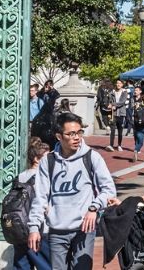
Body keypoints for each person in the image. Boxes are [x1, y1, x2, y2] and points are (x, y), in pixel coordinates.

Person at [29, 112, 117, 270]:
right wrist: (34, 227)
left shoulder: (91, 157)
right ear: (59, 136)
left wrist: (94, 208)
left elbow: (109, 190)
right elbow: (40, 198)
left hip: (83, 230)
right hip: (56, 230)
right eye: (71, 134)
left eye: (79, 132)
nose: (77, 137)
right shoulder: (48, 162)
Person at [13, 138, 53, 270]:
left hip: (19, 229)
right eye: (47, 157)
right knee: (47, 266)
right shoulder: (43, 178)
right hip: (40, 230)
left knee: (21, 266)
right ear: (36, 159)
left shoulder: (20, 177)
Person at [109, 79, 129, 152]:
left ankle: (119, 145)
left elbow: (122, 102)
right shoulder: (112, 92)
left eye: (120, 83)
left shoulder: (124, 92)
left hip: (121, 114)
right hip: (113, 113)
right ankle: (111, 145)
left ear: (122, 84)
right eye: (117, 83)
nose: (118, 84)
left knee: (120, 131)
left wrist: (114, 105)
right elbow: (110, 101)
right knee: (112, 130)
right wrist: (110, 105)